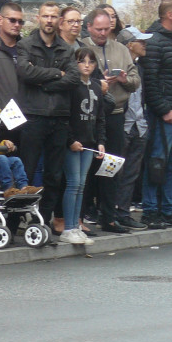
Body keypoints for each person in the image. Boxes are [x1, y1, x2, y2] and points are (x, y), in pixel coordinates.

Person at [15, 1, 77, 228]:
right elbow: (25, 72)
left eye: (53, 16)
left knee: (54, 176)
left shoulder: (67, 49)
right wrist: (55, 73)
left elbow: (73, 78)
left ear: (59, 21)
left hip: (59, 118)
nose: (49, 20)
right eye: (45, 16)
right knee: (26, 171)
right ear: (38, 18)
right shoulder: (26, 45)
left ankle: (43, 220)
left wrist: (46, 84)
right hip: (33, 116)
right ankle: (14, 220)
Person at [80, 7, 140, 233]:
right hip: (89, 116)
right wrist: (98, 82)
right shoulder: (82, 47)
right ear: (89, 28)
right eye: (98, 29)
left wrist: (124, 80)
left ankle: (109, 216)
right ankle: (83, 215)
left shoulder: (121, 50)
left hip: (115, 114)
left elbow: (135, 81)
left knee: (111, 165)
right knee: (87, 168)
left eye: (106, 29)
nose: (102, 33)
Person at [140, 0, 172, 228]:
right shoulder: (154, 42)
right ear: (169, 15)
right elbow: (150, 81)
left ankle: (169, 209)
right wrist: (163, 109)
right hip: (166, 112)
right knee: (157, 162)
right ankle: (151, 210)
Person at [62, 48, 106, 245]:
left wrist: (101, 142)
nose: (86, 65)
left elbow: (100, 117)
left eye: (90, 61)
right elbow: (64, 116)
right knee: (73, 183)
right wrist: (70, 140)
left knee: (82, 184)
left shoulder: (96, 87)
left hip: (89, 143)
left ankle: (76, 225)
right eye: (82, 61)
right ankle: (68, 227)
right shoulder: (71, 86)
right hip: (73, 143)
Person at [114, 26, 150, 229]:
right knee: (116, 172)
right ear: (129, 45)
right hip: (123, 124)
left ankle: (123, 212)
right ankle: (110, 212)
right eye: (141, 41)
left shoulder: (140, 67)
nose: (145, 44)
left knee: (131, 173)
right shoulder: (117, 66)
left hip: (140, 125)